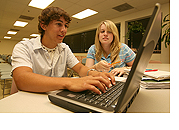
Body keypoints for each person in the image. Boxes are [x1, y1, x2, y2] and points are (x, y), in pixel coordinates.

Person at [11, 7, 115, 95]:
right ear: (44, 26)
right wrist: (69, 82)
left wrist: (95, 74)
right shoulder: (23, 47)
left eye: (65, 26)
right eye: (59, 24)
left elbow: (80, 69)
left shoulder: (64, 48)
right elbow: (22, 79)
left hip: (57, 99)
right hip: (32, 99)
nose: (64, 30)